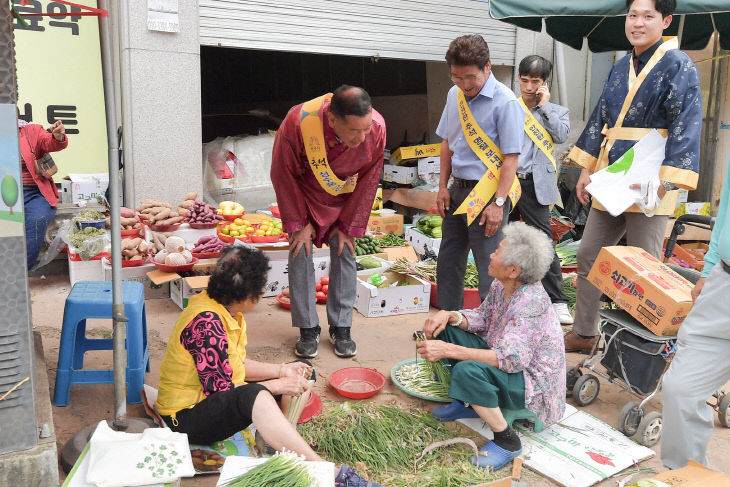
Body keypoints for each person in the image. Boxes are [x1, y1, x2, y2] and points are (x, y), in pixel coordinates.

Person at [155, 246, 382, 487]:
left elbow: (235, 366)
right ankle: (326, 472)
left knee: (302, 369)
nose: (264, 290)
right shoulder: (206, 323)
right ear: (246, 296)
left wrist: (283, 371)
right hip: (185, 419)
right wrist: (276, 384)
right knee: (257, 394)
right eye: (261, 286)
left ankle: (277, 440)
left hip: (212, 400)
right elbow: (223, 394)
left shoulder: (225, 310)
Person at [565, 0, 702, 352]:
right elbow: (600, 118)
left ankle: (640, 345)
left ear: (666, 20)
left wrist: (667, 181)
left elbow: (687, 124)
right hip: (613, 174)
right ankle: (585, 332)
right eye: (632, 15)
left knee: (644, 269)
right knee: (590, 255)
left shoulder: (679, 65)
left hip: (652, 179)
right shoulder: (621, 65)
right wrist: (586, 168)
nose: (637, 23)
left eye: (648, 16)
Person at [418, 222, 566, 471]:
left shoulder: (531, 302)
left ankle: (507, 441)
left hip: (532, 382)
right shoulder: (503, 284)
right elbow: (484, 318)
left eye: (497, 253)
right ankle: (469, 403)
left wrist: (448, 351)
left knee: (468, 370)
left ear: (513, 270)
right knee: (449, 330)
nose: (490, 254)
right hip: (507, 361)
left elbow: (510, 360)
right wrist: (451, 316)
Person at [271, 85, 386, 359]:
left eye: (365, 129)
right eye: (354, 131)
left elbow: (371, 177)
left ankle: (341, 326)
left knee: (345, 249)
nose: (362, 137)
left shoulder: (377, 128)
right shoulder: (299, 121)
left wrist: (349, 224)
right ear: (332, 120)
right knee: (301, 250)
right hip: (306, 197)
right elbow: (282, 171)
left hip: (346, 196)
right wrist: (299, 222)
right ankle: (307, 328)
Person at [435, 34, 525, 310]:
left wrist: (499, 203)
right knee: (448, 262)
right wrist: (441, 186)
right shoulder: (454, 95)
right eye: (456, 77)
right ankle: (448, 324)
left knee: (491, 268)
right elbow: (447, 142)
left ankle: (490, 336)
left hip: (487, 194)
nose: (464, 85)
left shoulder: (506, 102)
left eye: (471, 77)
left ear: (488, 67)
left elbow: (511, 158)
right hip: (457, 189)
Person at [660, 154, 730, 469]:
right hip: (724, 286)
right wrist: (709, 269)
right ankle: (686, 475)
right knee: (680, 389)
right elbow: (725, 212)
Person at [510, 54, 573, 325]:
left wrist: (544, 106)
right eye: (523, 80)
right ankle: (509, 295)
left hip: (535, 184)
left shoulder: (556, 111)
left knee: (543, 242)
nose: (527, 86)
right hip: (508, 181)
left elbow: (561, 136)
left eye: (534, 81)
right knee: (506, 240)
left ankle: (557, 300)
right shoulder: (510, 106)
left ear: (544, 82)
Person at [18, 118, 68, 269]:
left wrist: (57, 136)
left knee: (37, 220)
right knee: (8, 229)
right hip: (6, 196)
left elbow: (49, 142)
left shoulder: (30, 130)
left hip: (34, 194)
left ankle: (20, 272)